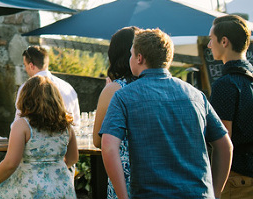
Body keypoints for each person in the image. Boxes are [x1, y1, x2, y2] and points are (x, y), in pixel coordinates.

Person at [101, 28, 232, 199]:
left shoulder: (124, 96)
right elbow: (225, 145)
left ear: (139, 58)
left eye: (132, 55)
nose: (131, 58)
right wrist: (214, 193)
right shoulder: (196, 95)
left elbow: (108, 146)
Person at [0, 75, 78, 198]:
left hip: (32, 188)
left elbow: (11, 163)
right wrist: (51, 168)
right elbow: (73, 158)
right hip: (61, 186)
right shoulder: (66, 126)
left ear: (26, 98)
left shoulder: (22, 125)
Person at [208, 14, 253, 198]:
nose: (209, 45)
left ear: (224, 41)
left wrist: (214, 191)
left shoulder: (225, 85)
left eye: (211, 40)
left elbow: (222, 144)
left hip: (236, 181)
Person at [92, 27, 137, 199]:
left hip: (124, 177)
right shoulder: (153, 86)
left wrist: (108, 91)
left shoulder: (114, 89)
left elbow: (98, 140)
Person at [15, 46, 80, 128]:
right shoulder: (68, 87)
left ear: (31, 66)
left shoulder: (26, 88)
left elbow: (18, 121)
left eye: (25, 65)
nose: (25, 69)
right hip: (67, 137)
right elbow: (76, 123)